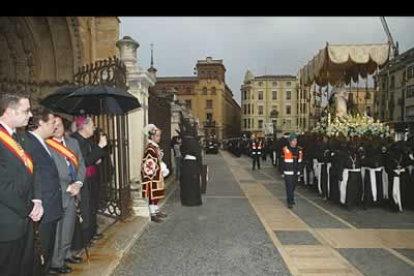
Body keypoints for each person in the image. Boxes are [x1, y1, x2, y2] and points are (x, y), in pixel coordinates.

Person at [0, 92, 42, 276]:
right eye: (26, 111)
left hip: (22, 219)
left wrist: (37, 200)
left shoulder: (17, 137)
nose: (31, 115)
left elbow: (28, 172)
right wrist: (28, 208)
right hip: (7, 223)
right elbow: (3, 187)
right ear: (9, 112)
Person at [22, 107, 62, 275]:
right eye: (52, 122)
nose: (55, 126)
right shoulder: (28, 143)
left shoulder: (41, 142)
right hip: (41, 209)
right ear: (41, 123)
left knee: (46, 252)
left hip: (51, 207)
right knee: (38, 254)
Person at [48, 116, 86, 273]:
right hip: (59, 192)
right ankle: (56, 262)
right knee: (57, 230)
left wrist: (78, 183)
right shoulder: (46, 145)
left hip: (74, 191)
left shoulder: (73, 143)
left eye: (60, 124)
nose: (57, 127)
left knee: (69, 227)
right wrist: (65, 186)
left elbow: (81, 164)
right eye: (54, 125)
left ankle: (66, 253)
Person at [71, 116, 107, 253]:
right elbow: (84, 162)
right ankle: (84, 239)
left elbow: (92, 156)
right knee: (85, 210)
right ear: (84, 126)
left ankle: (92, 233)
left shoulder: (86, 140)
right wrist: (100, 147)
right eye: (92, 124)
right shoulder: (74, 140)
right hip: (82, 181)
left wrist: (97, 154)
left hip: (92, 178)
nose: (94, 127)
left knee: (92, 207)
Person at [141, 124, 169, 222]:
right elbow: (149, 162)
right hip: (152, 175)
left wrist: (159, 157)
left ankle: (156, 210)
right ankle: (152, 214)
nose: (159, 138)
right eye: (157, 136)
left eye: (159, 135)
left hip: (156, 173)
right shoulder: (150, 148)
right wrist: (158, 158)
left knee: (157, 193)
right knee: (152, 194)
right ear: (151, 136)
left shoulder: (154, 146)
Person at [282, 134, 303, 209]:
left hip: (296, 171)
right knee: (289, 187)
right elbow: (282, 161)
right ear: (290, 141)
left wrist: (300, 171)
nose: (295, 142)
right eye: (294, 140)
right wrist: (282, 171)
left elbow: (300, 161)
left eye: (296, 140)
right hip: (288, 171)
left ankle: (291, 198)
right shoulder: (285, 149)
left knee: (293, 186)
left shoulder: (299, 150)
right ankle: (290, 201)